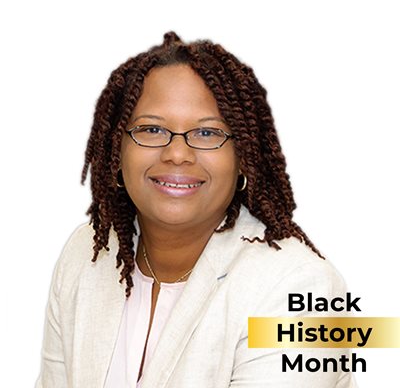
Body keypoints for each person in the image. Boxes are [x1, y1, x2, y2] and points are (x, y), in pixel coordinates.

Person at [35, 32, 357, 387]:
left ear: (243, 159)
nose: (177, 153)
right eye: (152, 129)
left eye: (207, 133)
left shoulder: (305, 289)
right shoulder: (85, 256)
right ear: (116, 149)